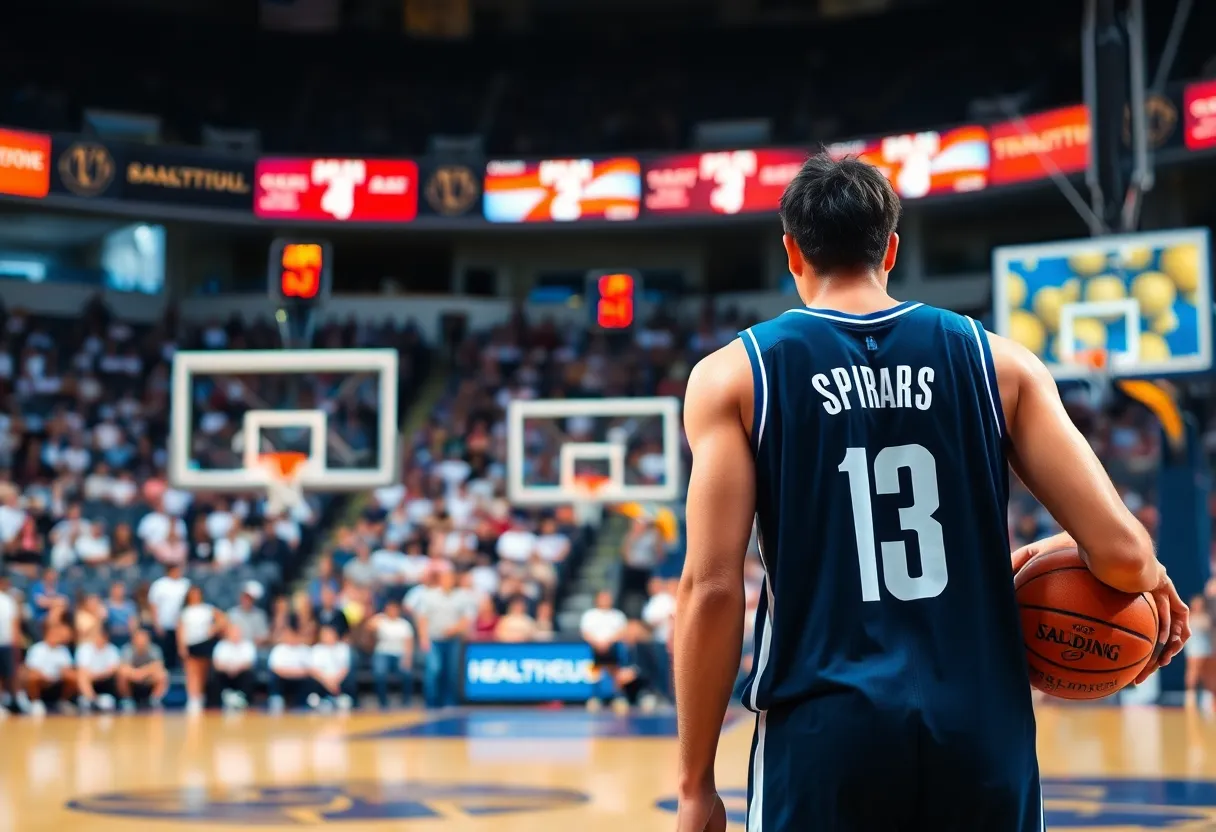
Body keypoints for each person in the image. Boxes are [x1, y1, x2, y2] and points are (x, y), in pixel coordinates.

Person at [673, 153, 1190, 832]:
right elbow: (1120, 556)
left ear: (792, 252)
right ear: (890, 247)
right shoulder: (999, 362)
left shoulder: (734, 376)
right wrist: (1150, 580)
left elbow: (710, 589)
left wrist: (695, 785)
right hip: (979, 731)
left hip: (825, 729)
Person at [178, 586, 224, 714]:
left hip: (204, 642)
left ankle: (201, 696)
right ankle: (193, 699)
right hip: (190, 643)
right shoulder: (185, 612)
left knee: (203, 672)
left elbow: (222, 618)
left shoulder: (207, 608)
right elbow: (180, 630)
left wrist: (214, 628)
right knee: (191, 672)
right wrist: (181, 646)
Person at [367, 599, 415, 709]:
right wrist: (376, 620)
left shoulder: (404, 625)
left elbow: (409, 643)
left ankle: (406, 701)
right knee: (380, 672)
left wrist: (407, 658)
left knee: (407, 673)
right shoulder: (381, 620)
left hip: (399, 654)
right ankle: (383, 702)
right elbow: (368, 627)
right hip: (382, 653)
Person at [20, 624, 76, 716]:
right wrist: (46, 677)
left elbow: (67, 669)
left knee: (73, 677)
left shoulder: (63, 650)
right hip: (41, 680)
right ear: (47, 634)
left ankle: (63, 702)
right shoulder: (37, 649)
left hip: (57, 681)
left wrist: (59, 675)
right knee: (32, 677)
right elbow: (32, 669)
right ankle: (36, 703)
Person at [148, 563, 190, 669]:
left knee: (180, 651)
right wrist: (156, 623)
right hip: (164, 623)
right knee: (165, 651)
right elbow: (153, 605)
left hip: (181, 625)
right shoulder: (159, 584)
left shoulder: (185, 583)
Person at [117, 629, 168, 711]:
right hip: (132, 678)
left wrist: (142, 673)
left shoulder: (155, 649)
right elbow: (123, 667)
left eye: (144, 639)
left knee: (162, 675)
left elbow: (158, 666)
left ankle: (154, 700)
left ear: (148, 639)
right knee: (122, 674)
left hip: (148, 678)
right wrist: (135, 674)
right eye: (139, 639)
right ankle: (127, 699)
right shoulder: (127, 649)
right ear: (133, 640)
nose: (141, 642)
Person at [74, 627, 122, 713]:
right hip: (90, 678)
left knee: (121, 672)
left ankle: (124, 700)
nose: (99, 639)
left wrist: (99, 675)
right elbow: (82, 668)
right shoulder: (84, 648)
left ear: (106, 638)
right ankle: (92, 701)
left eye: (102, 637)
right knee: (81, 676)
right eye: (97, 636)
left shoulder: (112, 649)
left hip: (106, 680)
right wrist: (95, 675)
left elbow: (114, 668)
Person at [307, 625, 354, 711]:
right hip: (323, 680)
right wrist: (326, 681)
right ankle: (321, 700)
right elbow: (313, 670)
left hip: (338, 680)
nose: (328, 637)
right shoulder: (316, 649)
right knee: (312, 681)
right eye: (325, 634)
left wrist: (335, 681)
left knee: (350, 678)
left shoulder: (343, 648)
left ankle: (340, 698)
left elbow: (345, 668)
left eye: (330, 634)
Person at [211, 623, 257, 711]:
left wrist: (236, 668)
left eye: (237, 632)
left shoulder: (247, 645)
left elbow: (249, 663)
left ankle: (244, 701)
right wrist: (229, 668)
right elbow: (217, 664)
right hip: (225, 673)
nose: (235, 635)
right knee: (215, 675)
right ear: (228, 633)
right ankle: (217, 704)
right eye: (233, 632)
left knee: (249, 675)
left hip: (241, 672)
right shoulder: (221, 645)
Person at [267, 628, 311, 711]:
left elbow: (310, 669)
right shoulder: (279, 649)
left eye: (294, 636)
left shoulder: (305, 649)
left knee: (310, 680)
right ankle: (276, 699)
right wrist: (293, 673)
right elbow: (275, 668)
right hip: (283, 678)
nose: (291, 638)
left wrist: (293, 673)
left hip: (300, 679)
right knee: (274, 677)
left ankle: (303, 703)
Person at [1185, 593, 1212, 709]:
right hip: (1194, 650)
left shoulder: (1206, 617)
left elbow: (1208, 627)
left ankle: (1207, 698)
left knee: (1207, 674)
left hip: (1206, 649)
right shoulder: (1189, 617)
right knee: (1193, 672)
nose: (1198, 605)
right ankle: (1190, 697)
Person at [0, 575, 18, 712]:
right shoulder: (8, 601)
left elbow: (14, 624)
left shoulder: (9, 601)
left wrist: (15, 643)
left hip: (6, 643)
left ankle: (13, 700)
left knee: (9, 674)